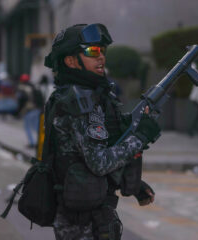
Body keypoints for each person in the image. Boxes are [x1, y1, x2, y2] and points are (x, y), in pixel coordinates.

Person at [43, 23, 161, 240]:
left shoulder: (87, 95)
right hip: (81, 222)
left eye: (101, 51)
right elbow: (99, 162)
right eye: (91, 51)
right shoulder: (79, 102)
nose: (101, 57)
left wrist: (132, 184)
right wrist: (140, 137)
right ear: (71, 61)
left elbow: (91, 154)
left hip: (89, 212)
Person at [17, 74, 44, 148]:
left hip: (29, 110)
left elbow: (21, 100)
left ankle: (32, 143)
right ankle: (39, 143)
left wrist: (18, 111)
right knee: (36, 127)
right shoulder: (35, 87)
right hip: (38, 109)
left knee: (27, 126)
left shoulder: (23, 88)